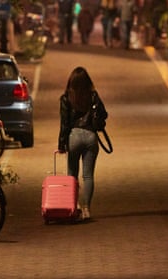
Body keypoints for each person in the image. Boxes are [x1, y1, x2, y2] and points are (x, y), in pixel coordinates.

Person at [58, 67, 108, 220]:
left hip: (74, 136)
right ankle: (86, 209)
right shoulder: (93, 96)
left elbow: (64, 124)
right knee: (88, 176)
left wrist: (61, 143)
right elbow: (104, 114)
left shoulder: (66, 98)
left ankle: (73, 206)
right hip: (90, 136)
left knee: (72, 175)